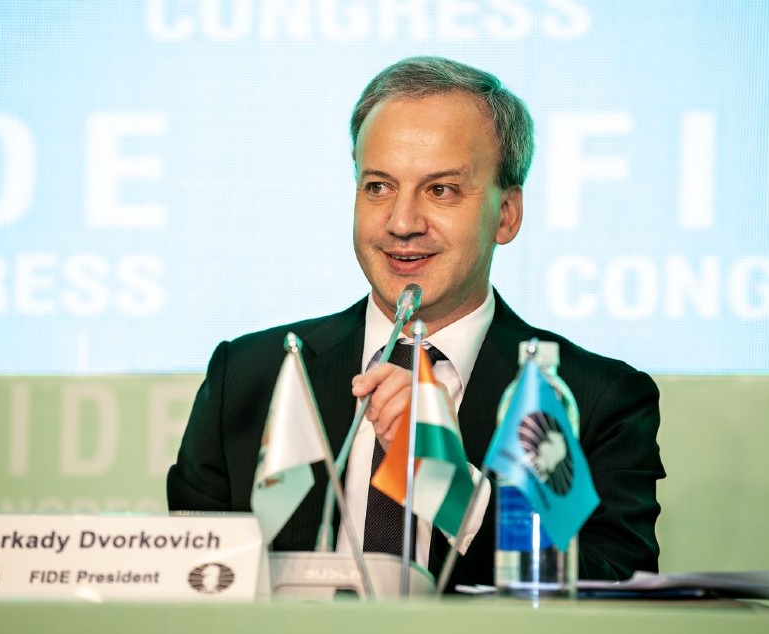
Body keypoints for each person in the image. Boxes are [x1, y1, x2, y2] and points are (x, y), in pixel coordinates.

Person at [167, 56, 664, 588]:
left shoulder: (595, 400)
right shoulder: (250, 377)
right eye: (378, 187)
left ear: (506, 214)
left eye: (440, 190)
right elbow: (186, 588)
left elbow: (615, 594)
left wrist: (455, 493)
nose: (401, 223)